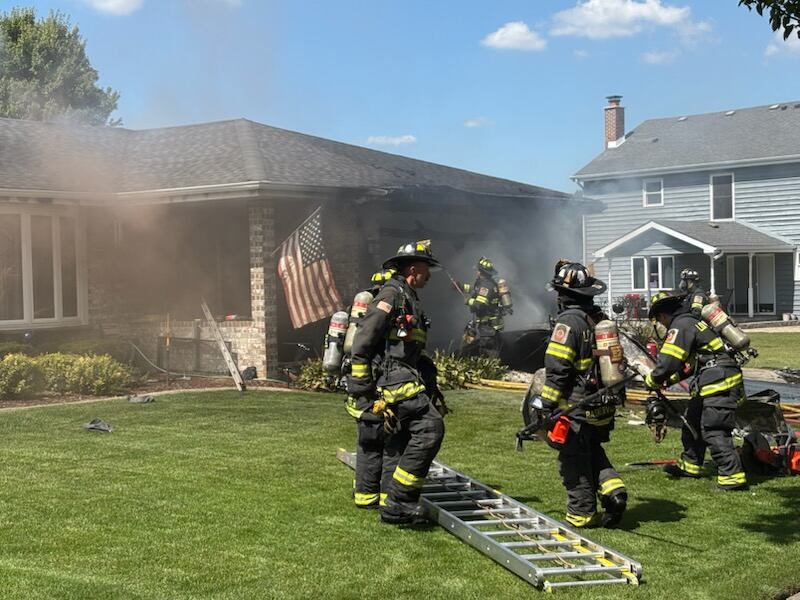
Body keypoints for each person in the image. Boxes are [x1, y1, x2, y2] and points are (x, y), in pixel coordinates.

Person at [347, 240, 446, 524]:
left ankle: (391, 504)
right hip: (393, 380)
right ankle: (401, 501)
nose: (429, 275)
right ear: (414, 268)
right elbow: (363, 344)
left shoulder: (408, 296)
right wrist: (363, 392)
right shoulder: (391, 295)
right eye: (427, 269)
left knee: (398, 440)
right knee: (430, 428)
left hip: (404, 377)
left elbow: (410, 348)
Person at [534, 261, 627, 528]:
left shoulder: (568, 323)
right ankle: (614, 492)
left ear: (563, 295)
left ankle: (582, 514)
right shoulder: (597, 317)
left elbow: (558, 368)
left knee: (573, 460)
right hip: (602, 405)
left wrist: (546, 403)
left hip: (577, 407)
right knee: (592, 450)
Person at [644, 290, 748, 491]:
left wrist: (653, 379)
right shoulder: (690, 322)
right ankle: (691, 465)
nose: (661, 325)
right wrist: (669, 381)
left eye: (659, 321)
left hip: (719, 382)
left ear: (663, 316)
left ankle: (732, 477)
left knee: (714, 429)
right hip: (714, 378)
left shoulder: (680, 326)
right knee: (692, 422)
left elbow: (668, 362)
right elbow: (691, 365)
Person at [344, 266, 398, 510]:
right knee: (388, 447)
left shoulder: (359, 314)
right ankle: (386, 499)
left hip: (358, 394)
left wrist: (360, 389)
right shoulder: (381, 315)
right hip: (375, 392)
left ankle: (364, 497)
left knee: (367, 446)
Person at [460, 257, 510, 357]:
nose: (476, 272)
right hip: (489, 324)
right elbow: (475, 290)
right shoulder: (484, 283)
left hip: (488, 325)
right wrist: (462, 286)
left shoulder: (486, 285)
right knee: (490, 346)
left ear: (481, 272)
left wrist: (468, 301)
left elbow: (479, 305)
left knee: (488, 350)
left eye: (478, 270)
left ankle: (492, 369)